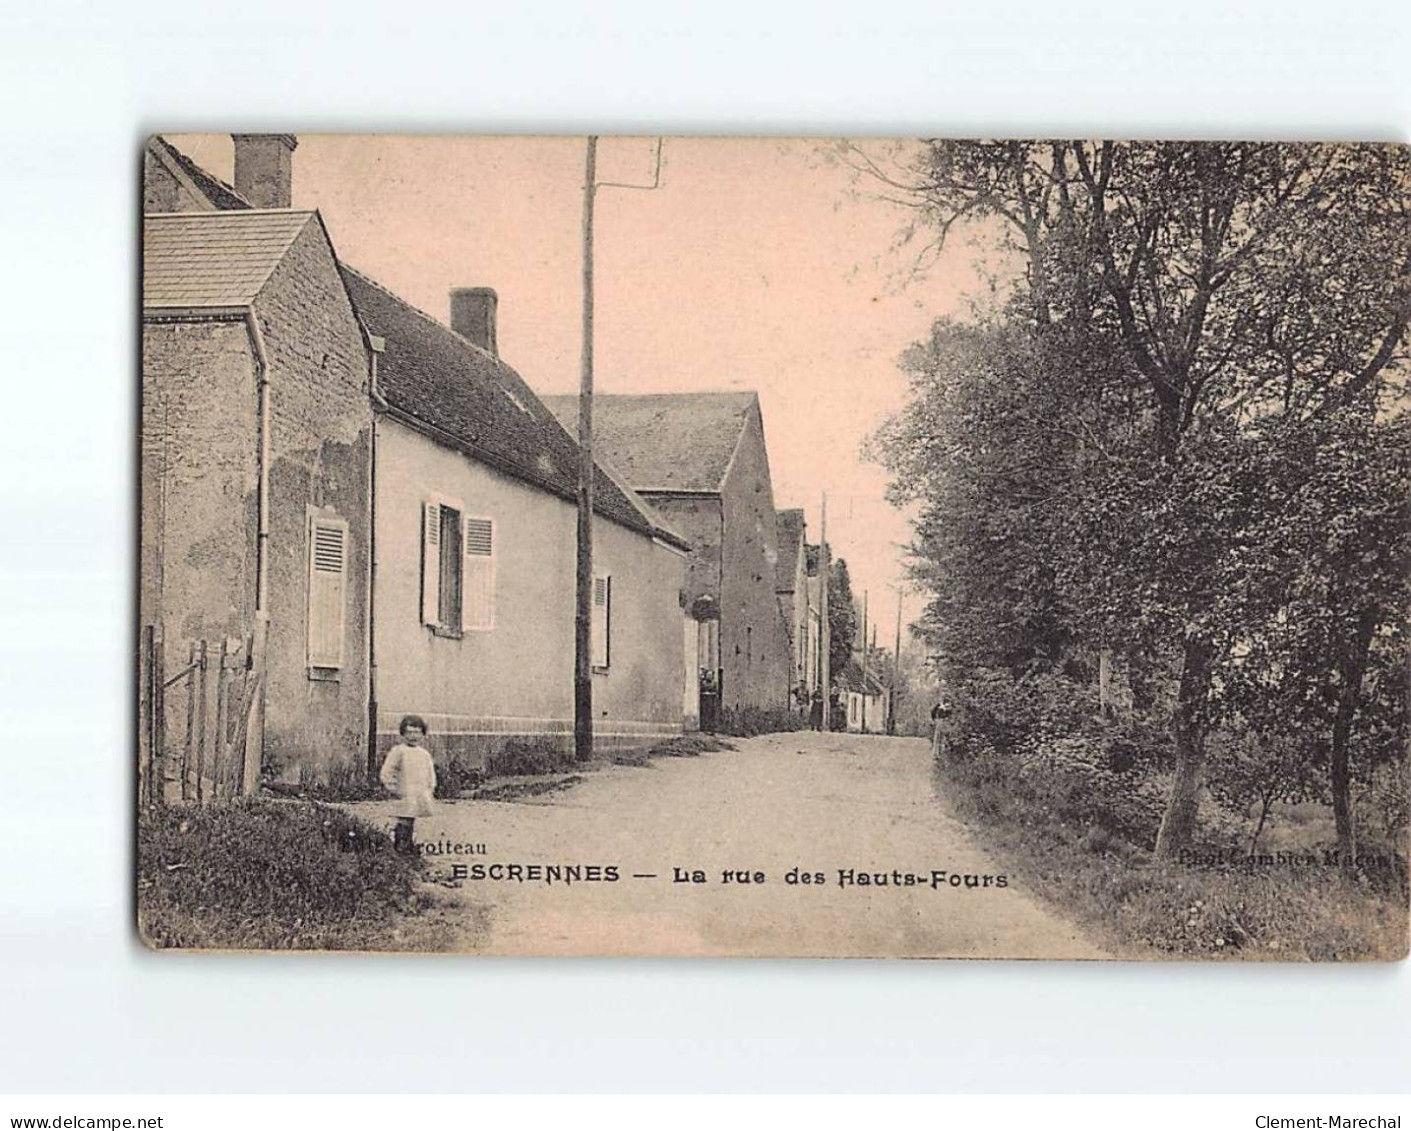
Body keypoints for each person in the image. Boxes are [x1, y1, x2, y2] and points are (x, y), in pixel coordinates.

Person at [379, 715, 437, 855]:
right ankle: (401, 847)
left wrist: (430, 788)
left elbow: (430, 773)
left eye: (417, 732)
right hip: (404, 792)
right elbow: (387, 772)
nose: (413, 736)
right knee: (404, 819)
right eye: (409, 732)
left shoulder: (424, 754)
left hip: (419, 793)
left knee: (412, 819)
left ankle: (409, 845)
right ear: (403, 733)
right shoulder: (398, 751)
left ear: (423, 734)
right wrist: (395, 789)